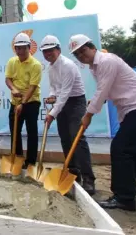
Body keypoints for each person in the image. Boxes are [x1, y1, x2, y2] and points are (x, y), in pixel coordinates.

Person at [70, 34, 136, 211]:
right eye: (77, 55)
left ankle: (124, 198)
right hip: (135, 109)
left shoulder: (107, 61)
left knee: (120, 149)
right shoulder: (95, 68)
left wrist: (88, 115)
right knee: (132, 151)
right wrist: (96, 101)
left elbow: (103, 90)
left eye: (83, 51)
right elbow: (105, 91)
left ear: (92, 47)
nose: (81, 56)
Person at [40, 35, 96, 195]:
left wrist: (52, 113)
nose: (48, 54)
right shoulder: (51, 67)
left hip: (76, 102)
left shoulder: (67, 65)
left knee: (77, 138)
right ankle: (73, 172)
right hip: (62, 102)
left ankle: (89, 178)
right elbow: (55, 89)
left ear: (58, 49)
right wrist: (51, 96)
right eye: (45, 52)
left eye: (50, 50)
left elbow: (65, 93)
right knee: (65, 137)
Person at [5, 32, 42, 169]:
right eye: (17, 48)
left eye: (23, 48)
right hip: (15, 102)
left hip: (31, 101)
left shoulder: (35, 65)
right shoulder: (11, 61)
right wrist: (13, 89)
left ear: (29, 47)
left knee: (31, 132)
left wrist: (23, 103)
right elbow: (8, 79)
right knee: (15, 131)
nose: (20, 51)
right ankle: (18, 158)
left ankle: (31, 162)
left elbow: (32, 87)